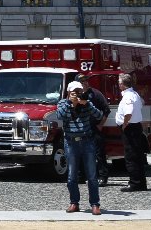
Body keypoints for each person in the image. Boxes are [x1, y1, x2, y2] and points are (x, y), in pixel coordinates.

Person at [58, 80, 102, 215]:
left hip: (87, 141)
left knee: (92, 175)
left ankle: (95, 204)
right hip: (71, 143)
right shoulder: (63, 103)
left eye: (79, 91)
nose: (78, 94)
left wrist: (86, 104)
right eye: (75, 92)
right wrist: (71, 104)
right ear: (69, 93)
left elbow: (99, 115)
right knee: (72, 176)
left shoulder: (87, 102)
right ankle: (74, 202)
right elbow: (60, 116)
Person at [75, 75, 111, 185]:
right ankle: (80, 176)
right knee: (79, 152)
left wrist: (100, 125)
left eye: (86, 81)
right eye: (82, 82)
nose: (85, 83)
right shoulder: (74, 95)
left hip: (93, 128)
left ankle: (102, 176)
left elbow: (106, 110)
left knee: (99, 153)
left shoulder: (95, 94)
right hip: (80, 129)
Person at [116, 74, 147, 192]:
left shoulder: (128, 96)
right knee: (138, 155)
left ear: (122, 84)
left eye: (119, 82)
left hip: (130, 128)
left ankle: (134, 183)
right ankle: (141, 183)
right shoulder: (135, 94)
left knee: (131, 156)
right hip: (136, 126)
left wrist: (125, 124)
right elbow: (142, 103)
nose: (118, 84)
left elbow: (128, 112)